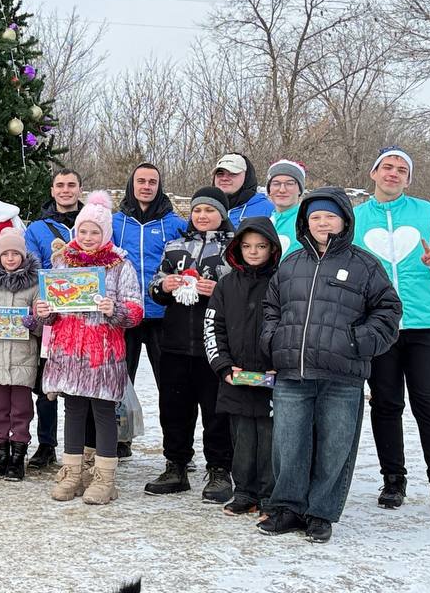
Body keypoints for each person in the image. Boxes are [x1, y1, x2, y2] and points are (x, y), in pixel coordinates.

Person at [257, 187, 402, 543]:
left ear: (345, 221)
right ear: (306, 223)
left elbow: (388, 310)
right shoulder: (291, 263)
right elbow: (271, 307)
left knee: (335, 446)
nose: (323, 223)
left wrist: (357, 341)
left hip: (342, 375)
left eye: (330, 217)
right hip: (293, 371)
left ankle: (321, 513)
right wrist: (273, 339)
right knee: (289, 444)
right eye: (316, 217)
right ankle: (288, 508)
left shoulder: (364, 264)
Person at [353, 147, 430, 516]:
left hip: (425, 325)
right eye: (387, 167)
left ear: (408, 179)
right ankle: (393, 480)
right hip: (379, 326)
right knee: (386, 404)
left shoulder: (426, 212)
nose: (393, 173)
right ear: (374, 173)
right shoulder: (356, 218)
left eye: (401, 170)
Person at [43, 192, 143, 505]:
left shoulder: (120, 265)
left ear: (106, 234)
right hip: (69, 351)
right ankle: (72, 473)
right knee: (73, 410)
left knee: (103, 412)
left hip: (103, 352)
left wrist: (115, 309)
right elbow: (51, 306)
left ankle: (104, 478)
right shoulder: (62, 261)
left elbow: (135, 310)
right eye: (83, 231)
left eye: (95, 232)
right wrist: (44, 310)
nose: (88, 238)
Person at [145, 187, 236, 502]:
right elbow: (154, 288)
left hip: (215, 344)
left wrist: (219, 290)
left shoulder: (235, 247)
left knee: (216, 411)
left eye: (209, 210)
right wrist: (164, 285)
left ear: (222, 214)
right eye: (197, 210)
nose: (202, 216)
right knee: (174, 409)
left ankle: (220, 469)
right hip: (175, 342)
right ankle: (176, 466)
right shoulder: (175, 246)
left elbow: (244, 290)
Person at [204, 217, 282, 516]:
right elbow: (213, 328)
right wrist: (224, 367)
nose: (253, 252)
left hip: (272, 379)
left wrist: (281, 366)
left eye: (260, 246)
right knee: (242, 439)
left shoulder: (282, 282)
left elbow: (292, 327)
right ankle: (245, 492)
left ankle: (269, 496)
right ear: (237, 248)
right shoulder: (226, 285)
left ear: (272, 248)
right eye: (247, 246)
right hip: (236, 378)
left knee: (270, 439)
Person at [110, 162, 187, 460]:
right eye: (141, 181)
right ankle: (120, 439)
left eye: (152, 182)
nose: (146, 186)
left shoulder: (174, 223)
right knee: (120, 381)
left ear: (159, 186)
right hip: (125, 315)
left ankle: (176, 449)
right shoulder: (116, 223)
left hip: (162, 315)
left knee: (171, 387)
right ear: (132, 185)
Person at [22, 169, 84, 469]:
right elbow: (32, 269)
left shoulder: (93, 222)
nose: (65, 190)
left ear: (80, 189)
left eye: (71, 185)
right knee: (47, 383)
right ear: (52, 190)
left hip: (87, 316)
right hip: (53, 315)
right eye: (60, 185)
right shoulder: (37, 228)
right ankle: (46, 444)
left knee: (83, 383)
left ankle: (84, 445)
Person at [0, 228, 46, 482]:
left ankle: (18, 457)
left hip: (23, 359)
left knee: (21, 410)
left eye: (15, 253)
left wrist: (34, 323)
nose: (10, 258)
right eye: (5, 254)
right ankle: (1, 454)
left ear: (23, 256)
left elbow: (45, 322)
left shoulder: (35, 286)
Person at [212, 153, 274, 225]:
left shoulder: (267, 210)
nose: (224, 178)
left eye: (233, 173)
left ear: (247, 177)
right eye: (220, 174)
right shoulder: (204, 208)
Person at [266, 160, 306, 258]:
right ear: (269, 189)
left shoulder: (306, 222)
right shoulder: (267, 222)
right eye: (276, 183)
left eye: (290, 183)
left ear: (300, 189)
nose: (282, 190)